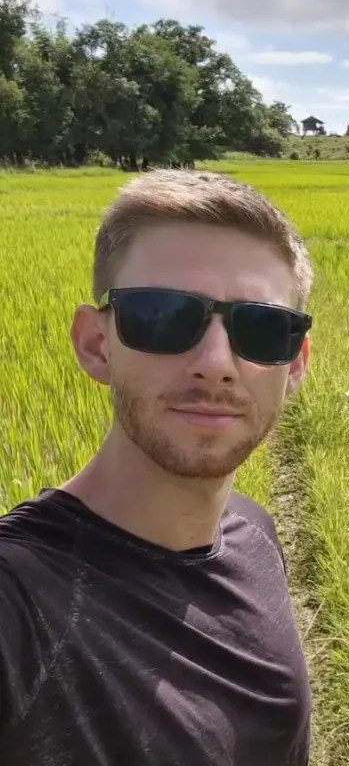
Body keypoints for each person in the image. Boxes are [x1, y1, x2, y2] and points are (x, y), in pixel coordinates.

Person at [0, 170, 315, 765]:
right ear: (97, 344)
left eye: (262, 327)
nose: (217, 363)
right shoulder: (21, 607)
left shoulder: (254, 533)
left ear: (293, 364)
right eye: (165, 316)